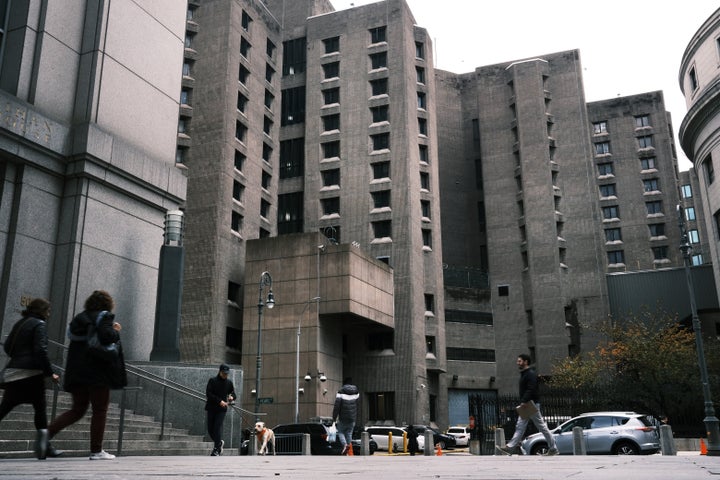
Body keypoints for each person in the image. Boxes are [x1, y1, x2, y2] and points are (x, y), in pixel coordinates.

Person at [47, 290, 127, 460]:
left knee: (77, 409)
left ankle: (46, 434)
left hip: (77, 372)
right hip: (97, 372)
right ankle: (96, 451)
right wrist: (115, 330)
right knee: (100, 409)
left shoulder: (79, 319)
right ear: (107, 303)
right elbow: (106, 337)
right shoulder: (104, 316)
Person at [0, 298, 60, 459]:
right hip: (31, 374)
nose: (48, 314)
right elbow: (40, 350)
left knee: (5, 406)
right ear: (42, 311)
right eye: (48, 311)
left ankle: (46, 446)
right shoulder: (39, 325)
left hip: (14, 372)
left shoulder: (20, 323)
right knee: (40, 409)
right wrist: (50, 372)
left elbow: (7, 346)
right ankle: (44, 447)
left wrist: (19, 359)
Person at [497, 353, 558, 456]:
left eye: (519, 361)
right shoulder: (526, 374)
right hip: (527, 404)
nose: (518, 363)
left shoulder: (530, 374)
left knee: (541, 427)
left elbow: (531, 389)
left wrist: (524, 400)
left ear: (525, 362)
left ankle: (553, 448)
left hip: (530, 404)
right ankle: (510, 447)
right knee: (520, 426)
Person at [205, 363, 235, 456]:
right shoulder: (212, 381)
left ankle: (216, 449)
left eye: (227, 373)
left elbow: (233, 393)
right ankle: (219, 443)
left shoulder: (229, 382)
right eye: (224, 373)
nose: (225, 375)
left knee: (217, 428)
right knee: (210, 429)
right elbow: (209, 394)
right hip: (211, 407)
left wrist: (231, 397)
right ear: (220, 372)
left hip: (222, 409)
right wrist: (219, 401)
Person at [332, 377, 359, 455]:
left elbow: (337, 406)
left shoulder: (341, 391)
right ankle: (348, 449)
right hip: (352, 417)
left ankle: (344, 445)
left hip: (343, 417)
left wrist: (334, 418)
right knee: (349, 433)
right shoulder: (356, 392)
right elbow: (357, 404)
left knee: (340, 432)